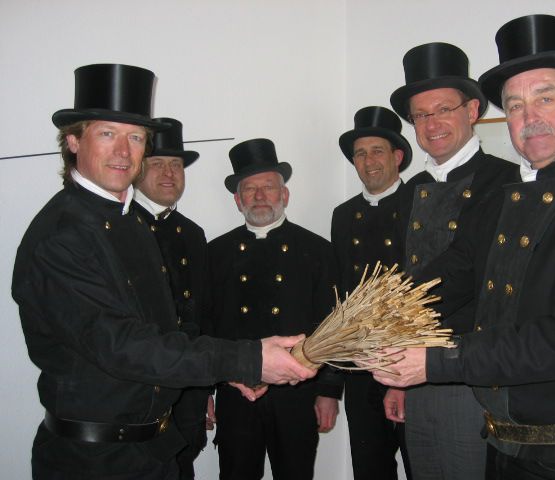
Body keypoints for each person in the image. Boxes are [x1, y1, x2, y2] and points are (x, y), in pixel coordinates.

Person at [11, 64, 316, 480]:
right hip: (94, 462)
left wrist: (233, 370)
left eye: (135, 137)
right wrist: (245, 360)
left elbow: (164, 330)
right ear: (73, 140)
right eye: (108, 134)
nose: (123, 151)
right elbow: (122, 345)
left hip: (153, 450)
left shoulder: (128, 221)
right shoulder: (62, 235)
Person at [371, 15, 555, 480]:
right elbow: (454, 273)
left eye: (545, 98)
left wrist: (436, 360)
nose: (529, 118)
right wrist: (369, 320)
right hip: (505, 442)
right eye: (515, 105)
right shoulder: (505, 197)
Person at [382, 42, 519, 480]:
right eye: (420, 115)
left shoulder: (505, 180)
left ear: (472, 110)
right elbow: (398, 272)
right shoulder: (410, 189)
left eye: (443, 109)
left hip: (471, 372)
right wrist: (396, 376)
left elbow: (465, 268)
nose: (432, 124)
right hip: (415, 368)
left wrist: (383, 321)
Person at [207, 138, 342, 480]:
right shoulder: (215, 254)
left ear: (285, 194)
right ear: (238, 200)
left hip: (297, 392)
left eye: (268, 187)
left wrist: (328, 391)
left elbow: (333, 326)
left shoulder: (317, 250)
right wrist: (202, 392)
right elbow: (205, 327)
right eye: (249, 189)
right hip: (236, 392)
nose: (259, 196)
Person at [332, 105, 414, 480]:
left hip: (411, 359)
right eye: (360, 154)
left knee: (421, 465)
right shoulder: (343, 214)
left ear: (397, 156)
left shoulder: (421, 202)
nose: (368, 161)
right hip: (360, 363)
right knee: (369, 469)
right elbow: (340, 293)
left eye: (377, 151)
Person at [132, 117, 209, 479]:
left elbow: (203, 315)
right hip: (142, 390)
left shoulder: (192, 234)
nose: (169, 173)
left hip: (187, 388)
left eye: (176, 164)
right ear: (137, 169)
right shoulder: (121, 227)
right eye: (157, 163)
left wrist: (206, 388)